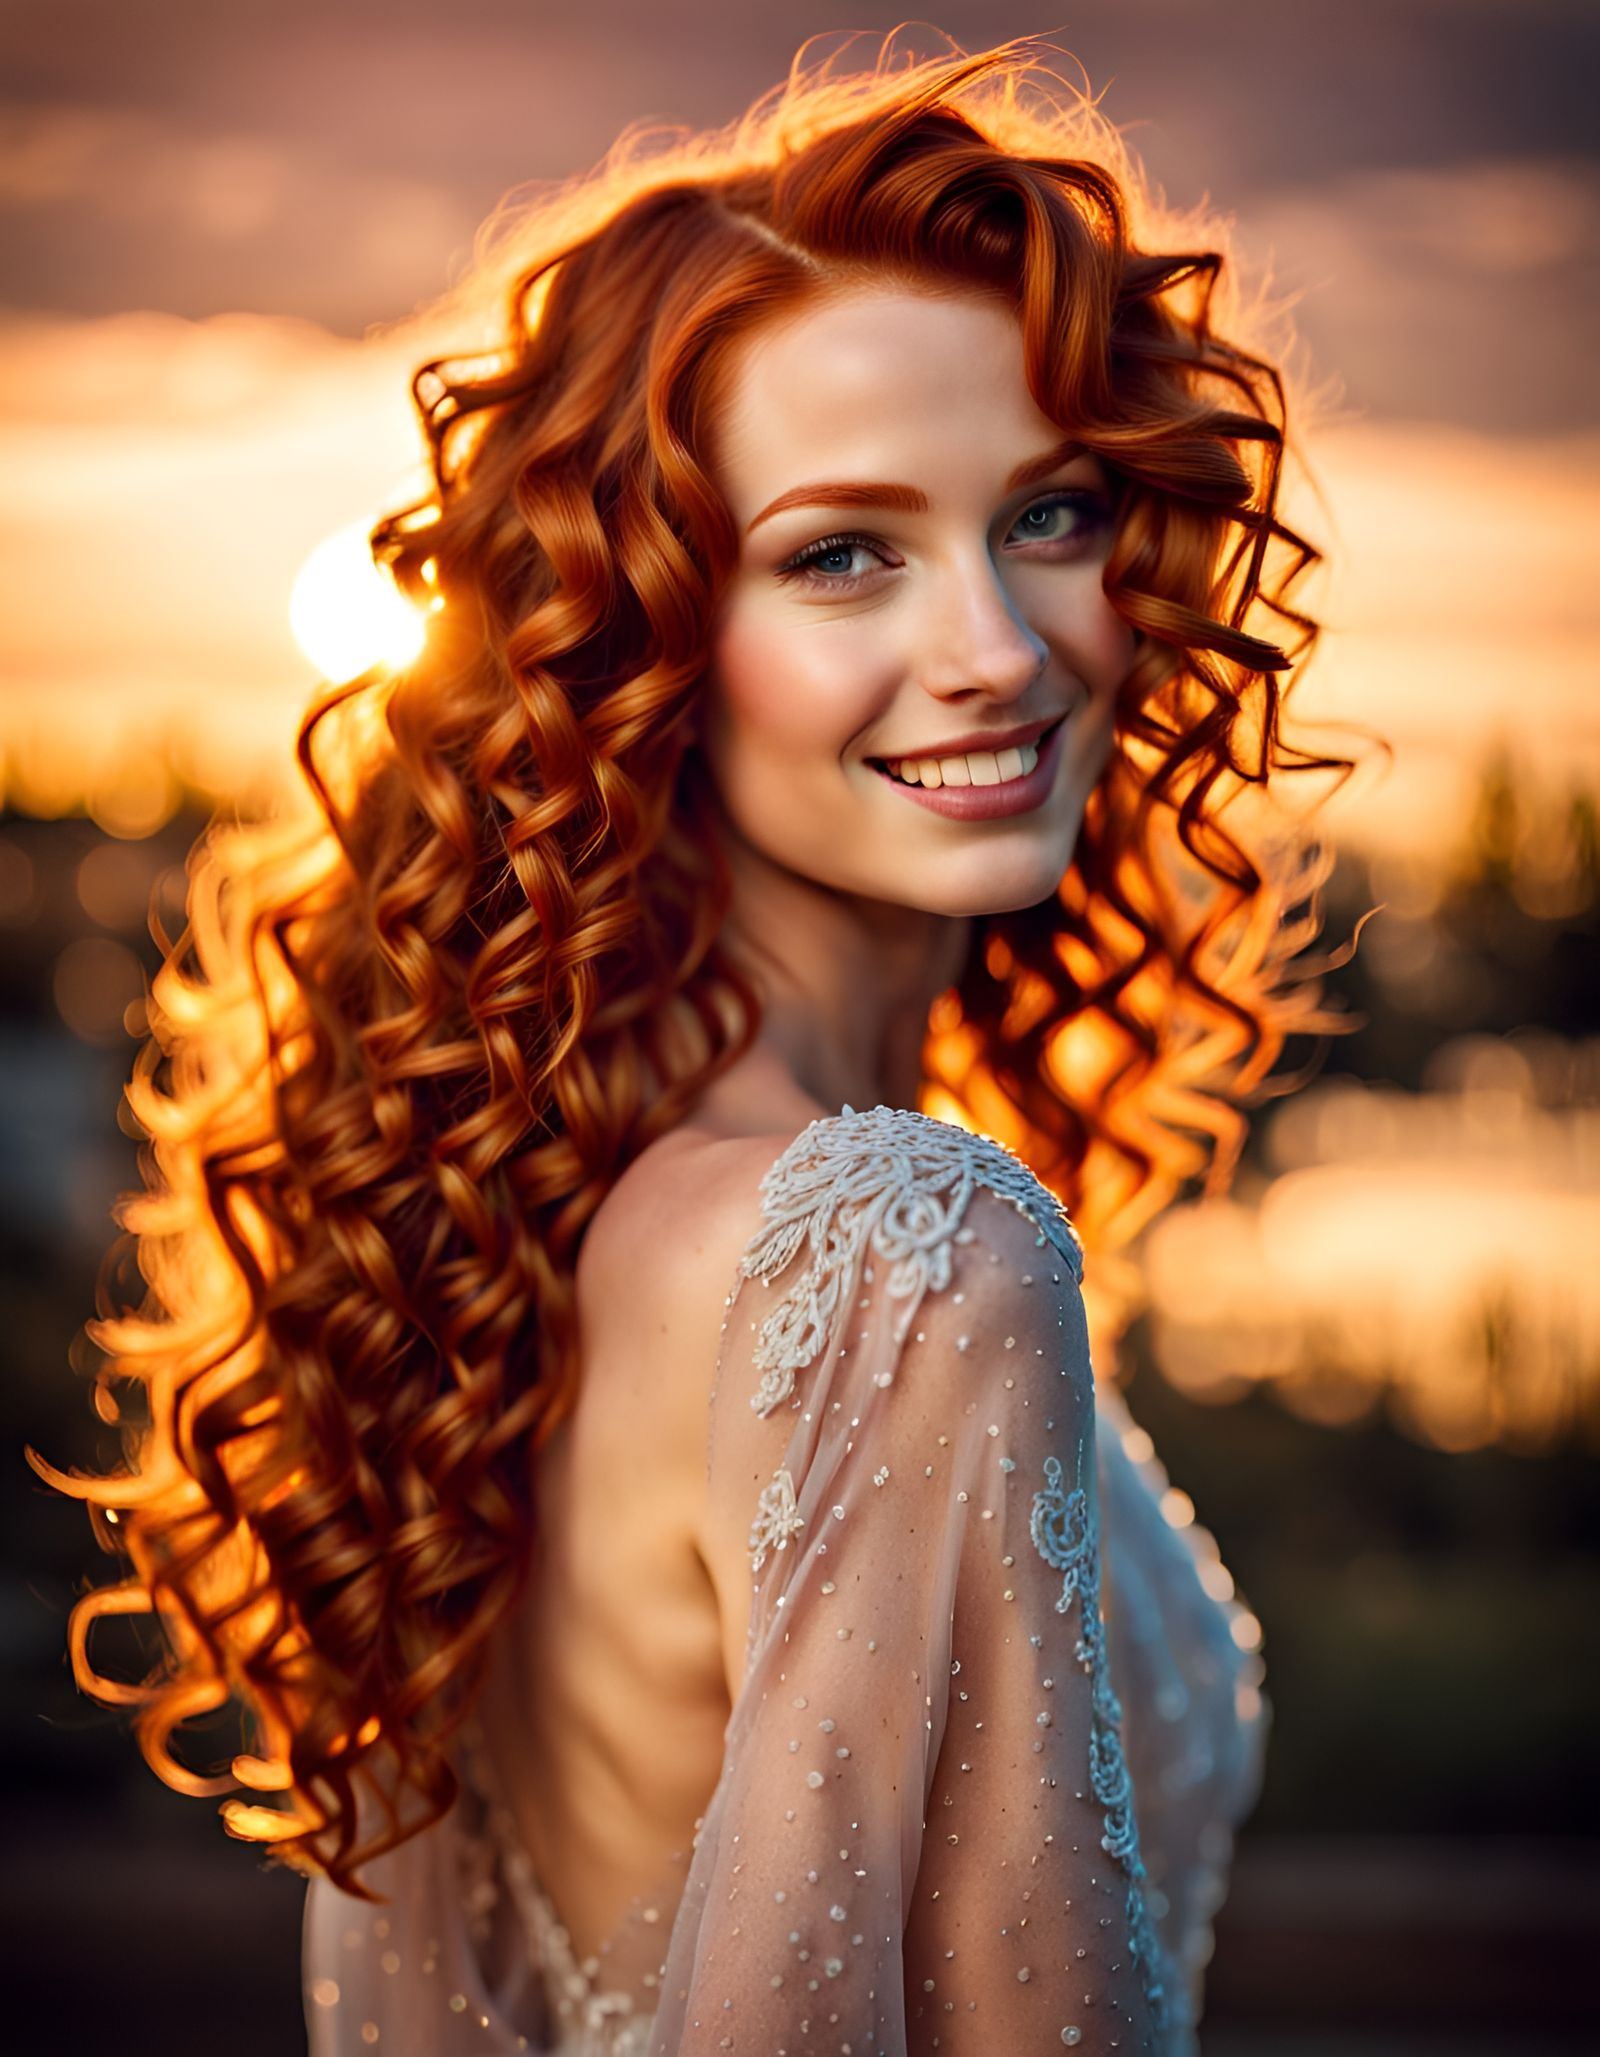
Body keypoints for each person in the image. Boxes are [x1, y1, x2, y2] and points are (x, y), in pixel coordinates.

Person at [33, 31, 1366, 2056]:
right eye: (843, 552)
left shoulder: (538, 1217)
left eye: (1049, 512)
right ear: (645, 632)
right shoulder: (899, 1247)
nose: (997, 649)